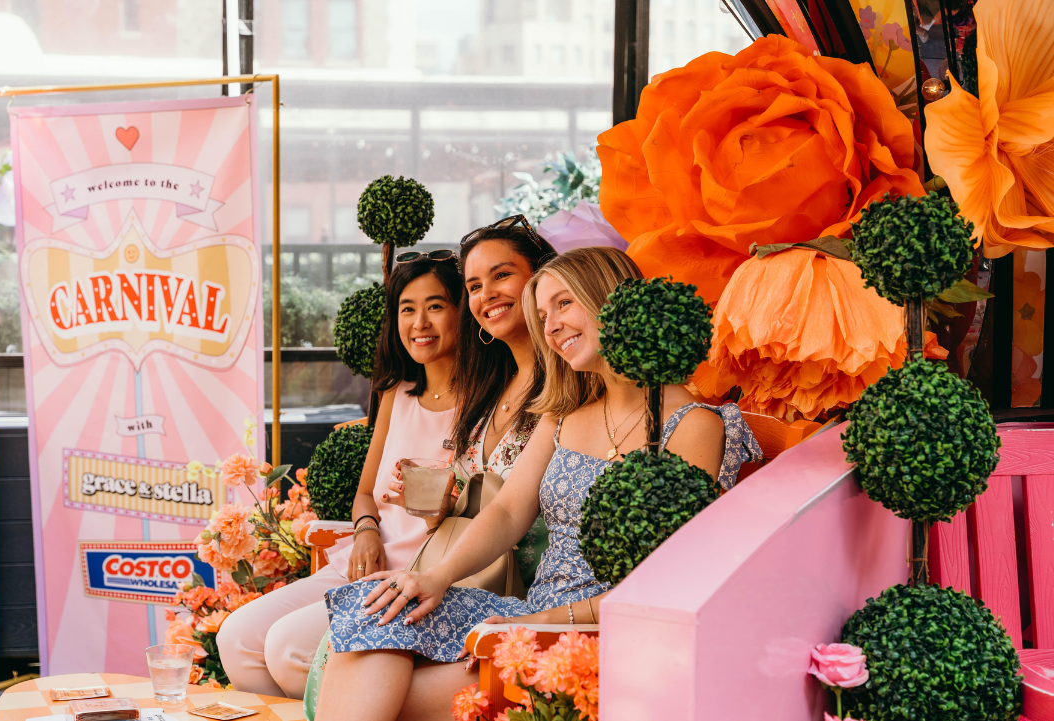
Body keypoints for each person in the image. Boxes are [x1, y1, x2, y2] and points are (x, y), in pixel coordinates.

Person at [315, 247, 762, 721]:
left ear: (611, 299)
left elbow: (667, 580)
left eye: (564, 304)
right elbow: (507, 512)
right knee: (380, 606)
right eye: (543, 315)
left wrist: (534, 623)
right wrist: (434, 578)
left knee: (384, 700)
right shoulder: (566, 412)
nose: (550, 327)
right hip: (534, 610)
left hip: (594, 632)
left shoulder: (692, 425)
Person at [217, 253, 463, 698]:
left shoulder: (486, 405)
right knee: (236, 639)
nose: (420, 322)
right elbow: (365, 492)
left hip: (419, 578)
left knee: (288, 649)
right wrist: (366, 530)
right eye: (407, 308)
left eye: (436, 305)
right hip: (364, 561)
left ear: (461, 311)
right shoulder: (397, 393)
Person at [385, 215, 557, 588]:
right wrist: (438, 510)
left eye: (501, 275)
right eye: (474, 286)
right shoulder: (488, 391)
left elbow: (512, 511)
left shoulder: (567, 390)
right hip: (459, 579)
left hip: (526, 592)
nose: (487, 294)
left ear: (542, 279)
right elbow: (464, 513)